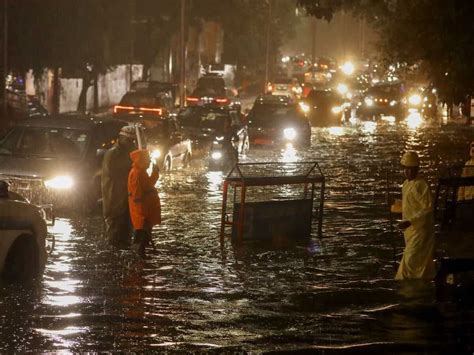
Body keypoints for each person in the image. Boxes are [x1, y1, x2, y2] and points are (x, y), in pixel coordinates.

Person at [393, 151, 436, 280]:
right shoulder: (406, 185)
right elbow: (408, 205)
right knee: (418, 262)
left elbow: (427, 210)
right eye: (406, 169)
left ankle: (407, 287)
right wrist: (394, 203)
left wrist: (410, 221)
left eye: (412, 169)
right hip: (411, 232)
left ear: (417, 169)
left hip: (421, 232)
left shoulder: (421, 185)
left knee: (411, 260)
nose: (409, 172)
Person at [101, 125, 136, 249]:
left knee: (126, 231)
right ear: (121, 138)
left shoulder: (131, 152)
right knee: (115, 231)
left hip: (127, 198)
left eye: (133, 141)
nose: (131, 143)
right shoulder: (112, 154)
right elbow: (114, 173)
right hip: (114, 198)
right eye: (129, 140)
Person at [128, 149, 161, 257]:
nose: (149, 162)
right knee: (140, 234)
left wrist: (155, 174)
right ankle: (139, 257)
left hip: (146, 210)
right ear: (141, 161)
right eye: (147, 160)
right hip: (142, 212)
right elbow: (137, 198)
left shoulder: (141, 172)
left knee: (144, 234)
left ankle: (141, 256)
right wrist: (142, 215)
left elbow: (148, 185)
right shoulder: (137, 174)